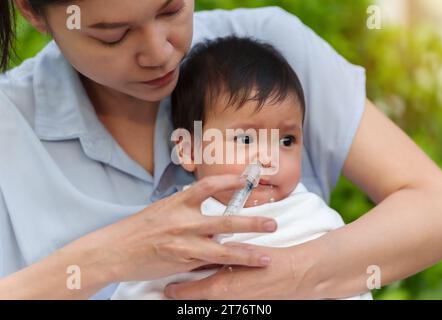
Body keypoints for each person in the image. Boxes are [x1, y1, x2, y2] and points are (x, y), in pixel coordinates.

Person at [0, 0, 442, 300]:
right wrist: (108, 257)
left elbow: (437, 207)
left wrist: (298, 272)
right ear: (33, 13)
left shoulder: (265, 55)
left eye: (171, 9)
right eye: (113, 35)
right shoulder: (10, 131)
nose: (159, 52)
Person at [111, 36, 372, 300]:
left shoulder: (314, 220)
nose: (268, 159)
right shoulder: (174, 225)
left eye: (286, 140)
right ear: (188, 150)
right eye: (246, 139)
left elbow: (350, 286)